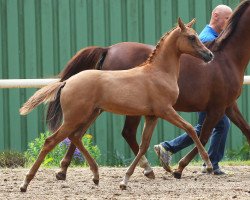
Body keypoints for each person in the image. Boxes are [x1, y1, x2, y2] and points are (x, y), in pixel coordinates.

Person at [154, 5, 233, 175]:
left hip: (207, 92)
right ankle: (170, 148)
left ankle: (205, 160)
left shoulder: (214, 37)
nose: (229, 22)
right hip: (203, 93)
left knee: (215, 125)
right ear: (216, 16)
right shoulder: (206, 39)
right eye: (227, 18)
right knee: (209, 126)